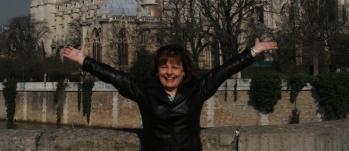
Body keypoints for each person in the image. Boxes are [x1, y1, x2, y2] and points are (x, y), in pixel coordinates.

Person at [63, 38, 278, 151]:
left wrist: (253, 52)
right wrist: (84, 61)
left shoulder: (197, 89)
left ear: (184, 71)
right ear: (157, 70)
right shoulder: (143, 90)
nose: (169, 72)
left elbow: (224, 70)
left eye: (175, 68)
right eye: (164, 67)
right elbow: (114, 77)